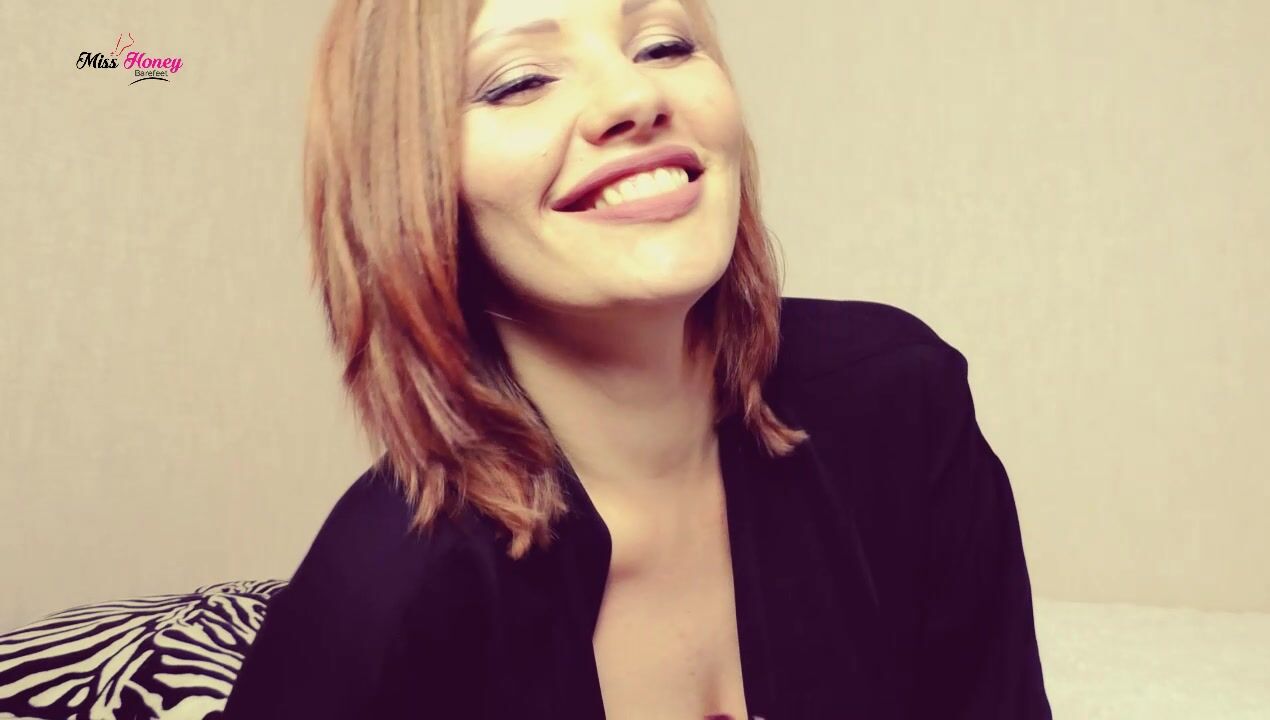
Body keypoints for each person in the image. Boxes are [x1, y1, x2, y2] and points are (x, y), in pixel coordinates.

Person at [221, 0, 1053, 717]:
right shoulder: (379, 597)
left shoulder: (902, 402)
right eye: (519, 81)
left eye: (663, 44)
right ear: (409, 187)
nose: (634, 95)